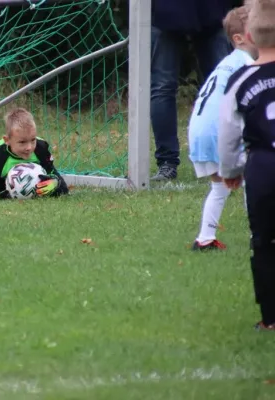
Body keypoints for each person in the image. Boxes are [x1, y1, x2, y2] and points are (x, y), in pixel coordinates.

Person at [218, 0, 275, 330]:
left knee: (265, 241)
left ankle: (270, 317)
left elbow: (227, 133)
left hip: (264, 167)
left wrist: (230, 170)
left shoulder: (240, 80)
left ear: (249, 35)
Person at [188, 5, 257, 251]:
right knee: (255, 181)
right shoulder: (247, 65)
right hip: (218, 133)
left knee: (220, 186)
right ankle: (259, 235)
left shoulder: (229, 63)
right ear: (238, 38)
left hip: (200, 132)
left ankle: (205, 239)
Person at [150, 0, 237, 181]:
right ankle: (167, 163)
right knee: (162, 87)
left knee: (226, 85)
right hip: (164, 12)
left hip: (210, 11)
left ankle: (230, 157)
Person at [0, 108, 69, 200]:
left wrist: (55, 183)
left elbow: (62, 185)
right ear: (7, 140)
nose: (29, 147)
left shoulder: (41, 148)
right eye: (22, 142)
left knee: (58, 192)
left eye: (33, 140)